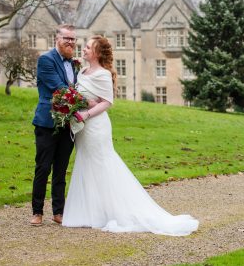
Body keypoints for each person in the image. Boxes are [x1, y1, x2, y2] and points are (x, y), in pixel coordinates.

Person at [62, 35, 199, 236]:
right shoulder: (81, 71)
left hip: (95, 127)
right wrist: (77, 104)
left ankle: (116, 211)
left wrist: (86, 113)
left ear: (97, 53)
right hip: (83, 128)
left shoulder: (102, 74)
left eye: (88, 47)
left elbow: (107, 101)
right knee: (86, 165)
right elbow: (82, 95)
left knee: (102, 165)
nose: (83, 49)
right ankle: (91, 213)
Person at [30, 24, 80, 226]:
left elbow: (75, 86)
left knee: (61, 169)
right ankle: (37, 212)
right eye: (66, 38)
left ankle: (59, 212)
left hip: (68, 125)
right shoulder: (46, 60)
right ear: (56, 39)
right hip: (47, 122)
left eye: (73, 39)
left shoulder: (74, 64)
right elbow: (59, 89)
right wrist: (90, 102)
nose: (70, 42)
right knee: (43, 168)